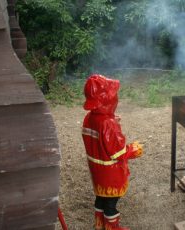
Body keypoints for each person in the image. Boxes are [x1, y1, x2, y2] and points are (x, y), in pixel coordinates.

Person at [81, 74, 143, 230]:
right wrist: (134, 149)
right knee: (111, 203)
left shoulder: (89, 118)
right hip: (111, 173)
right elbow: (118, 153)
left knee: (100, 198)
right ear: (107, 99)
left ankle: (99, 223)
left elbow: (98, 132)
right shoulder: (108, 124)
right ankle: (111, 227)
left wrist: (111, 120)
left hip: (97, 171)